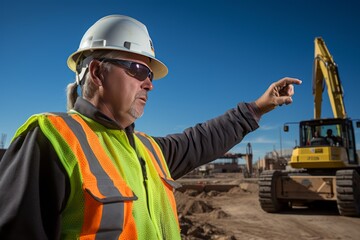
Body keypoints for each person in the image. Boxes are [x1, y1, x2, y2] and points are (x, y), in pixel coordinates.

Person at [0, 15, 301, 239]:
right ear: (97, 72)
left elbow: (202, 139)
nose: (149, 83)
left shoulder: (148, 150)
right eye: (138, 69)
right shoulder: (51, 140)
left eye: (151, 74)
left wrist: (260, 106)